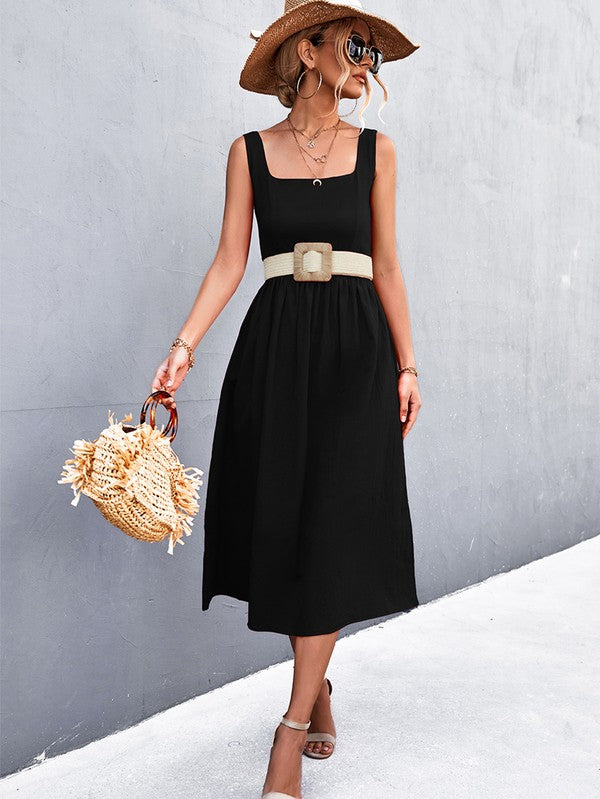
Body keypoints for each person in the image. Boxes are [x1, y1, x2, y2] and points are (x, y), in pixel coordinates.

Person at [151, 2, 422, 796]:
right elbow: (230, 261)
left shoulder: (378, 150)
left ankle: (293, 724)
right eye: (353, 45)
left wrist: (408, 365)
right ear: (307, 50)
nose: (367, 61)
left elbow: (391, 267)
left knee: (335, 525)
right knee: (291, 528)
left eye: (375, 52)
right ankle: (320, 683)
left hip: (356, 354)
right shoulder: (249, 152)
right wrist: (183, 347)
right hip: (274, 351)